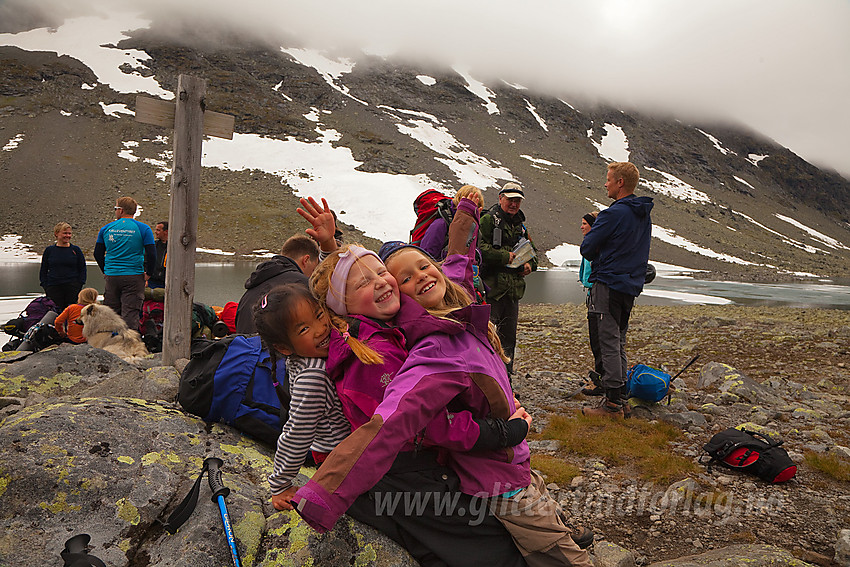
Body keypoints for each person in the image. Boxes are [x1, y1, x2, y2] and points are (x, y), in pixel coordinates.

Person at [295, 197, 592, 566]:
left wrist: (466, 212)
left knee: (535, 500)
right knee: (539, 547)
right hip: (469, 468)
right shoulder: (425, 348)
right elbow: (391, 424)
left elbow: (456, 261)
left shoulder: (440, 305)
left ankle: (558, 530)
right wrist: (325, 494)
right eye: (406, 277)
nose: (417, 277)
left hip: (505, 461)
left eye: (423, 267)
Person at [251, 283, 350, 511]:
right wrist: (280, 484)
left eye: (318, 315)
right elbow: (298, 431)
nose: (321, 329)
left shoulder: (311, 354)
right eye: (304, 329)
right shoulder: (313, 377)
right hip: (340, 457)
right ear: (284, 347)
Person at [580, 162, 653, 418]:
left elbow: (587, 247)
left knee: (608, 341)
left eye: (609, 179)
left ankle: (611, 405)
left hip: (608, 284)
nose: (605, 183)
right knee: (619, 340)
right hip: (629, 287)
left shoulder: (613, 214)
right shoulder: (642, 214)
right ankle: (621, 398)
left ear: (620, 182)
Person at [478, 182, 538, 376]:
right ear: (500, 198)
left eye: (517, 200)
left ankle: (506, 378)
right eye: (510, 199)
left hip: (512, 292)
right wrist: (505, 257)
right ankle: (490, 377)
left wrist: (530, 266)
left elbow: (533, 253)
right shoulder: (488, 220)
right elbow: (478, 249)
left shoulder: (521, 226)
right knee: (490, 336)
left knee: (509, 338)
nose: (513, 204)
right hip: (492, 290)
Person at [235, 235, 320, 333]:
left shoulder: (249, 292)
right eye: (314, 269)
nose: (313, 274)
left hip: (246, 346)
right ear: (306, 260)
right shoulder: (303, 286)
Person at [94, 197, 156, 331]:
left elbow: (97, 253)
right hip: (134, 275)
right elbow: (152, 254)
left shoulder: (106, 228)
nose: (115, 211)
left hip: (112, 275)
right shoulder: (143, 229)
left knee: (111, 312)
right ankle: (128, 345)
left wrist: (106, 270)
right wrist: (148, 274)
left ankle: (109, 344)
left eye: (116, 209)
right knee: (130, 313)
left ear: (121, 210)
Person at [419, 185, 484, 260]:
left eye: (476, 205)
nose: (472, 209)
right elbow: (426, 256)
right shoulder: (442, 224)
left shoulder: (475, 229)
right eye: (468, 203)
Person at [578, 212, 604, 396]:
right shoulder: (592, 244)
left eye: (585, 223)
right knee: (596, 338)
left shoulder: (597, 246)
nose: (581, 227)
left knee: (599, 339)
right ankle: (601, 378)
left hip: (597, 293)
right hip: (592, 292)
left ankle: (602, 381)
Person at [40, 222, 87, 312]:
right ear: (56, 234)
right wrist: (45, 285)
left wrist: (79, 283)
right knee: (55, 313)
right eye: (65, 233)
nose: (67, 235)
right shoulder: (49, 250)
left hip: (72, 287)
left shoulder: (75, 250)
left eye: (69, 233)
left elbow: (82, 268)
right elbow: (43, 269)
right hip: (53, 287)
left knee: (71, 313)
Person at [146, 221, 168, 289]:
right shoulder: (153, 246)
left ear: (166, 232)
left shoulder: (174, 247)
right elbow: (144, 261)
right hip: (151, 282)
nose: (155, 232)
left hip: (166, 283)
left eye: (158, 230)